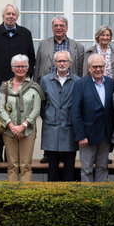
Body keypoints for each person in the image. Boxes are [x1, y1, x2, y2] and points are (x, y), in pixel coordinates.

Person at [0, 4, 35, 163]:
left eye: (13, 14)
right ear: (3, 16)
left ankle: (11, 156)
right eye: (8, 14)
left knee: (17, 116)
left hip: (20, 85)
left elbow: (31, 59)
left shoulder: (25, 34)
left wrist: (27, 79)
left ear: (17, 16)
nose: (10, 16)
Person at [71, 54, 114, 182]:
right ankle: (88, 199)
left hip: (105, 135)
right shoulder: (80, 84)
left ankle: (101, 197)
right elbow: (75, 112)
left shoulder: (111, 83)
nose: (98, 69)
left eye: (101, 66)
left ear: (105, 67)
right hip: (87, 135)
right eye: (95, 66)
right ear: (89, 68)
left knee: (103, 167)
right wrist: (81, 135)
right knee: (86, 169)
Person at [0, 54, 42, 182]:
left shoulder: (34, 87)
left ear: (27, 68)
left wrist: (23, 126)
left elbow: (36, 109)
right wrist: (11, 126)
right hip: (8, 131)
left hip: (27, 131)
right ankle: (12, 196)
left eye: (23, 66)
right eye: (17, 66)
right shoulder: (5, 86)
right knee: (12, 165)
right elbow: (0, 108)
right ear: (12, 68)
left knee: (25, 165)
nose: (20, 69)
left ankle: (25, 196)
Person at [40, 50, 79, 182]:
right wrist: (50, 116)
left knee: (69, 169)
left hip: (69, 129)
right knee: (52, 168)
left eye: (65, 61)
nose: (62, 63)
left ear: (70, 63)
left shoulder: (77, 81)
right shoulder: (46, 80)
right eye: (59, 61)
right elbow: (42, 103)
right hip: (51, 129)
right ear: (54, 63)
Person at [33, 16, 85, 83]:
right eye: (56, 26)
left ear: (67, 28)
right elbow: (37, 68)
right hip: (47, 85)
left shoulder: (78, 47)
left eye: (62, 25)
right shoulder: (43, 44)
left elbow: (80, 70)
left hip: (70, 85)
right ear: (52, 28)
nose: (58, 28)